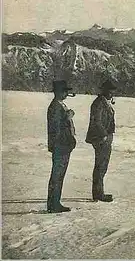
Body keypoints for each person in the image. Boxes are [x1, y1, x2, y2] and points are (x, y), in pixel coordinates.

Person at [85, 79, 117, 202]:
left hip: (105, 137)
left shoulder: (104, 102)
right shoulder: (99, 103)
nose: (112, 93)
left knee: (102, 165)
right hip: (101, 138)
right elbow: (97, 121)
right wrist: (104, 135)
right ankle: (98, 193)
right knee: (100, 165)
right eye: (110, 91)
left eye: (112, 91)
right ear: (104, 91)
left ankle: (99, 192)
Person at [47, 80, 76, 213]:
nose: (66, 93)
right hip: (61, 146)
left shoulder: (59, 105)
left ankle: (55, 202)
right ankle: (53, 204)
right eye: (64, 91)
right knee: (57, 175)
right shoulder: (55, 107)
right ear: (58, 92)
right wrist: (67, 116)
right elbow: (56, 127)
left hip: (63, 145)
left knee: (59, 175)